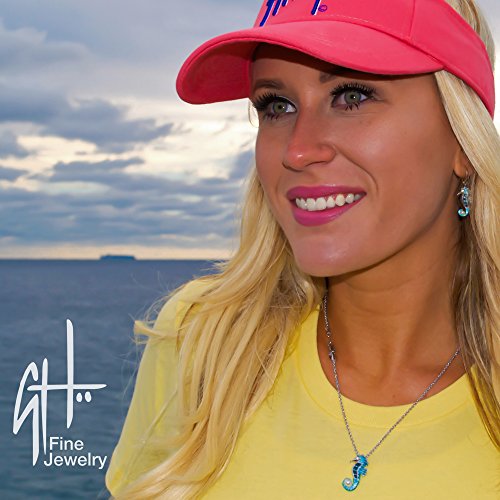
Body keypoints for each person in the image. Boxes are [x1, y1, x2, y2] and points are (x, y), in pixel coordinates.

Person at [105, 0, 499, 498]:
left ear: (462, 139)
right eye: (277, 106)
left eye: (351, 96)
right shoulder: (205, 341)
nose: (297, 150)